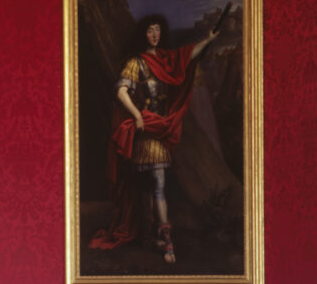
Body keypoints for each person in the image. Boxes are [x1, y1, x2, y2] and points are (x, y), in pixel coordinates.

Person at [90, 13, 220, 263]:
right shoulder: (136, 62)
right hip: (145, 129)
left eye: (158, 30)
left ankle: (163, 237)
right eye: (150, 30)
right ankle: (157, 237)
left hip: (161, 129)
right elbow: (121, 91)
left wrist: (208, 40)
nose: (155, 35)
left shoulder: (166, 59)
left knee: (157, 185)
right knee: (149, 186)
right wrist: (137, 115)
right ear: (144, 34)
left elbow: (187, 56)